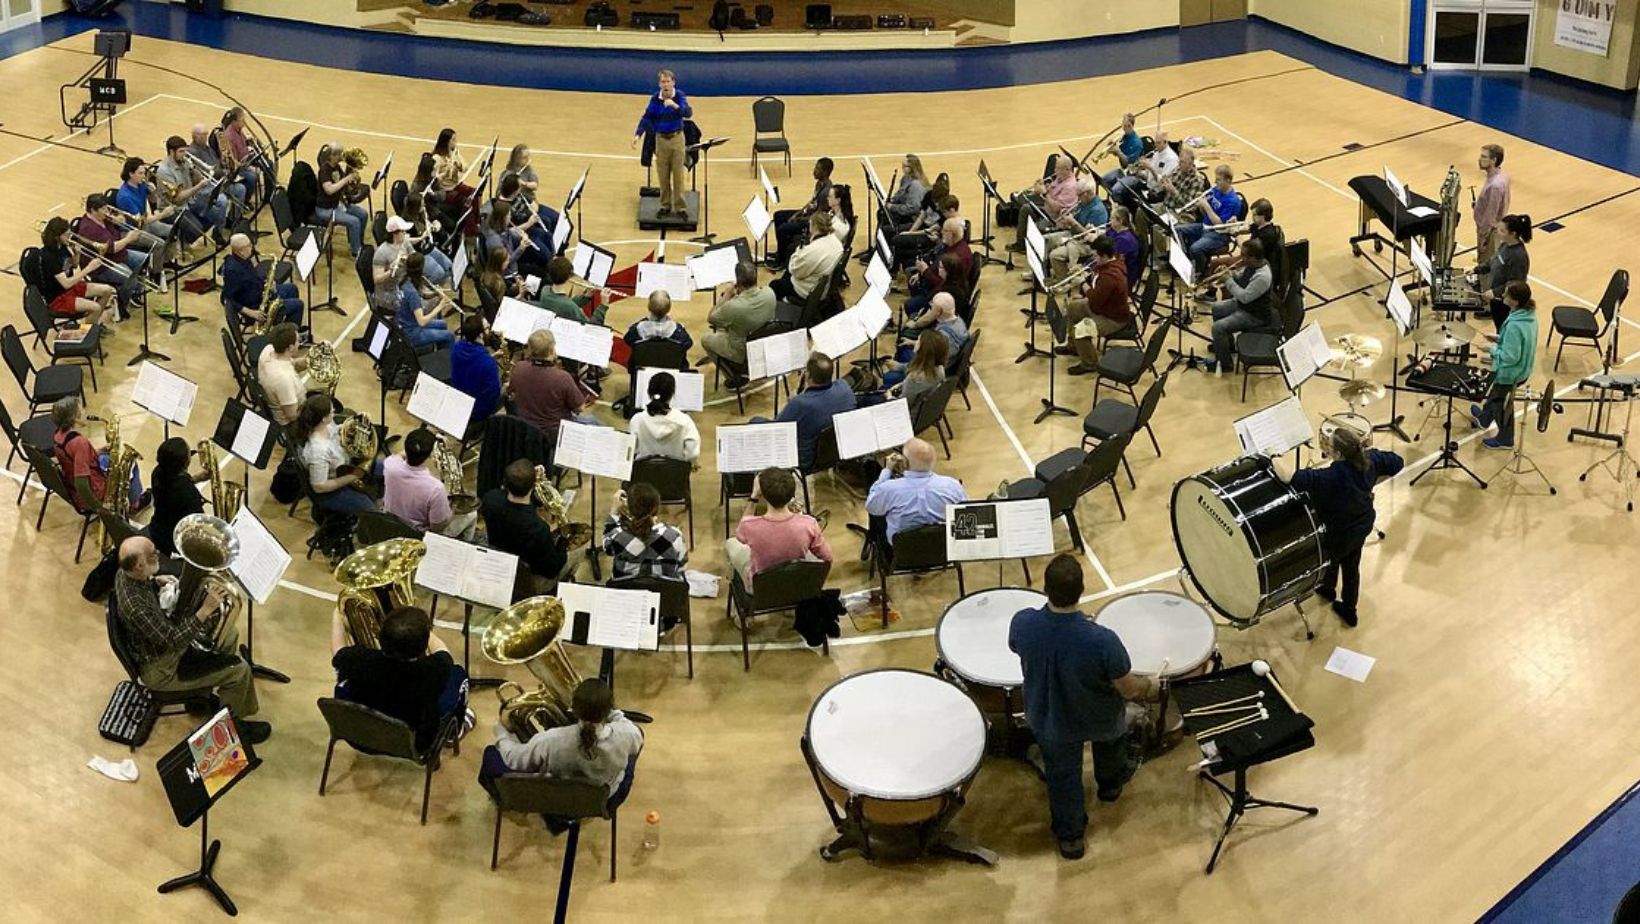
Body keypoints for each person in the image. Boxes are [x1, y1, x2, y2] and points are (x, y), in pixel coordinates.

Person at [1008, 554, 1156, 860]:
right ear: (1082, 590)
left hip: (1050, 718)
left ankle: (1071, 837)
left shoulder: (1023, 623)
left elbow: (1015, 646)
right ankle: (1110, 786)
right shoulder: (1102, 640)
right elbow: (1128, 689)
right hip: (1098, 716)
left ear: (1045, 589)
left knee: (1062, 778)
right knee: (1112, 741)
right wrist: (1150, 685)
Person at [114, 535, 270, 743]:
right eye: (153, 554)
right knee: (239, 671)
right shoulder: (138, 609)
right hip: (163, 669)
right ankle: (233, 730)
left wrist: (154, 581)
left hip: (157, 649)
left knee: (229, 635)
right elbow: (173, 640)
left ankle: (202, 696)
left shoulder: (125, 573)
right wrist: (205, 610)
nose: (158, 554)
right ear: (140, 565)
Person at [1271, 428, 1404, 627]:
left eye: (1330, 445)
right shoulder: (1371, 459)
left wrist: (1271, 455)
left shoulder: (1330, 476)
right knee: (1351, 567)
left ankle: (1328, 588)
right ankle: (1349, 610)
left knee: (1331, 559)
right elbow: (1398, 462)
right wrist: (1372, 484)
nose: (1327, 446)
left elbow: (1288, 477)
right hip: (1361, 524)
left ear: (1339, 454)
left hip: (1337, 532)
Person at [480, 678, 643, 827]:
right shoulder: (627, 734)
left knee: (492, 753)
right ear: (609, 709)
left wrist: (503, 732)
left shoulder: (550, 739)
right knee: (635, 744)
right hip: (603, 801)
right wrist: (613, 712)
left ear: (574, 709)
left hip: (553, 801)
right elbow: (635, 739)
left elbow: (513, 759)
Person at [332, 605, 467, 752]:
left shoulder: (359, 660)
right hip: (415, 745)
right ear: (424, 643)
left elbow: (337, 649)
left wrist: (338, 614)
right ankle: (457, 728)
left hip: (357, 736)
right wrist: (422, 628)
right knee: (458, 674)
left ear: (381, 636)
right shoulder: (434, 669)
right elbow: (442, 650)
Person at [480, 459, 572, 595]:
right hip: (527, 581)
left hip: (500, 563)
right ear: (533, 486)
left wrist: (526, 477)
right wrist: (563, 539)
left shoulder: (490, 499)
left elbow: (503, 494)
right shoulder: (538, 529)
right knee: (577, 554)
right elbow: (552, 568)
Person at [726, 467, 832, 585]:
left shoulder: (749, 526)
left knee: (731, 543)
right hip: (797, 585)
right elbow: (827, 557)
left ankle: (732, 581)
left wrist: (754, 496)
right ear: (792, 494)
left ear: (763, 495)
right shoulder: (809, 523)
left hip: (761, 589)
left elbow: (740, 535)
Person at [1471, 280, 1540, 451]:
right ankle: (1485, 418)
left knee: (1500, 405)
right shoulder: (1526, 315)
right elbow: (1516, 343)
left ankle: (1505, 438)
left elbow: (1511, 356)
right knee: (1494, 394)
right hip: (1521, 367)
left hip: (1511, 373)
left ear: (1515, 300)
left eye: (1506, 294)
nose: (1502, 295)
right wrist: (1498, 338)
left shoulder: (1516, 325)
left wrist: (1491, 349)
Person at [383, 427, 478, 539]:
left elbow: (400, 455)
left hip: (390, 522)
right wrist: (453, 507)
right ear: (430, 455)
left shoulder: (390, 464)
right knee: (471, 514)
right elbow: (437, 528)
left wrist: (418, 446)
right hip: (416, 535)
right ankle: (464, 543)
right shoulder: (435, 488)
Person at [51, 397, 142, 514]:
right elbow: (81, 483)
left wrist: (99, 451)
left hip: (72, 484)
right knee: (131, 466)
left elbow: (72, 458)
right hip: (94, 492)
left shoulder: (58, 435)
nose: (84, 411)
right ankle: (135, 504)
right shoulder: (79, 443)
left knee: (105, 456)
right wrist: (99, 507)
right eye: (81, 410)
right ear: (75, 419)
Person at [864, 437, 967, 541]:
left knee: (881, 507)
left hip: (905, 550)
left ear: (905, 463)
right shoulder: (953, 485)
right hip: (944, 548)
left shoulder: (889, 488)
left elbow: (872, 507)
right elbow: (967, 515)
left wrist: (887, 470)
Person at [508, 330, 597, 444]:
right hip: (552, 434)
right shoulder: (562, 377)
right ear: (551, 351)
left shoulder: (519, 368)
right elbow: (580, 408)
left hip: (525, 429)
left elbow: (512, 392)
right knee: (593, 421)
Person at [76, 193, 155, 320]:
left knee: (144, 259)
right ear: (92, 210)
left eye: (106, 208)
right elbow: (111, 248)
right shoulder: (89, 228)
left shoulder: (103, 219)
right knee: (130, 277)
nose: (107, 212)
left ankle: (135, 293)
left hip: (118, 254)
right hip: (102, 265)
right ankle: (122, 303)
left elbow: (116, 237)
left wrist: (118, 222)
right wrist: (129, 238)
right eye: (103, 209)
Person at [1201, 238, 1275, 375]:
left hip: (1255, 315)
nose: (1241, 258)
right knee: (1216, 308)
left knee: (1218, 328)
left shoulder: (1263, 276)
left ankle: (1224, 364)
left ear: (1253, 258)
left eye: (1244, 256)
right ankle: (1226, 346)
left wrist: (1227, 280)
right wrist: (1229, 273)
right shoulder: (1252, 265)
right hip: (1246, 306)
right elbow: (1241, 278)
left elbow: (1244, 297)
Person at [1064, 237, 1135, 375]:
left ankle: (1089, 363)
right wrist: (1084, 272)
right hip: (1103, 307)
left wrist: (1082, 281)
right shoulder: (1111, 262)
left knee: (1080, 330)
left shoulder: (1111, 277)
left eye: (1095, 255)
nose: (1093, 258)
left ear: (1103, 255)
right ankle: (1073, 347)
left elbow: (1095, 298)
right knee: (1072, 307)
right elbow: (1097, 278)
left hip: (1112, 318)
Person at [774, 352, 857, 470]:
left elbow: (776, 429)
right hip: (839, 450)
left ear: (809, 377)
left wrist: (793, 402)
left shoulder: (800, 404)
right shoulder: (844, 387)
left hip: (808, 461)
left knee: (756, 421)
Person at [296, 394, 376, 515]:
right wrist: (353, 476)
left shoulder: (326, 424)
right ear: (323, 418)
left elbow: (338, 429)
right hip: (330, 490)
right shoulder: (318, 451)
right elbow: (319, 487)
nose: (334, 413)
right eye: (332, 412)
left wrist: (360, 421)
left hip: (346, 465)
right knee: (370, 509)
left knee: (384, 467)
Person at [631, 69, 692, 217]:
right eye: (663, 82)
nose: (666, 85)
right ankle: (665, 205)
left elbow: (688, 113)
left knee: (678, 175)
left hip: (677, 138)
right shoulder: (654, 99)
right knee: (663, 175)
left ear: (673, 82)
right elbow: (647, 118)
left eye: (668, 81)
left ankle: (680, 207)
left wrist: (674, 105)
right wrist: (638, 135)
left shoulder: (679, 96)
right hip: (661, 140)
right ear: (659, 84)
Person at [35, 217, 113, 329]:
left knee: (107, 290)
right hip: (58, 297)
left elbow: (73, 265)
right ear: (57, 237)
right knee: (95, 307)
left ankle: (92, 325)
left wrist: (77, 254)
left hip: (70, 288)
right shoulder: (49, 257)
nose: (69, 237)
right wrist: (88, 269)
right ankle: (87, 333)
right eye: (66, 235)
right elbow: (66, 283)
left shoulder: (62, 246)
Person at [703, 260, 777, 378]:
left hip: (742, 351)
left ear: (738, 281)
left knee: (706, 339)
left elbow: (711, 318)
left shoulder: (733, 306)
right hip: (763, 344)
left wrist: (727, 295)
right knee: (726, 327)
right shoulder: (770, 293)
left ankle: (733, 376)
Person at [602, 482, 688, 581]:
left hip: (628, 592)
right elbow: (681, 567)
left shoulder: (619, 537)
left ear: (629, 508)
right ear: (657, 508)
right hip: (664, 593)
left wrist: (614, 511)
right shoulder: (674, 536)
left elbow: (607, 545)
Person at [154, 134, 228, 248]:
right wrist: (198, 186)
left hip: (190, 201)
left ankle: (188, 234)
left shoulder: (184, 162)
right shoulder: (164, 171)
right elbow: (177, 198)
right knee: (197, 230)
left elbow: (196, 180)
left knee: (215, 215)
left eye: (185, 151)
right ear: (171, 152)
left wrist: (194, 170)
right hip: (174, 209)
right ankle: (183, 239)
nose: (184, 155)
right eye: (181, 152)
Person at [222, 233, 305, 330]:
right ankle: (288, 336)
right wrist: (250, 312)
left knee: (292, 288)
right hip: (257, 308)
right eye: (249, 246)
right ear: (240, 251)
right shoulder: (233, 271)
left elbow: (253, 278)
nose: (252, 247)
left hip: (261, 294)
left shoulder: (244, 259)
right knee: (298, 305)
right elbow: (227, 298)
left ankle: (284, 325)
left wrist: (267, 283)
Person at [1173, 164, 1243, 276]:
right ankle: (1188, 261)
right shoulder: (1216, 190)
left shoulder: (1233, 201)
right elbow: (1204, 213)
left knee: (1195, 248)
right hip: (1205, 226)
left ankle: (1201, 272)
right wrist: (1201, 203)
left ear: (1228, 180)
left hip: (1219, 234)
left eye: (1219, 180)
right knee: (1177, 230)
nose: (1215, 182)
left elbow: (1220, 224)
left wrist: (1206, 205)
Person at [147, 437, 207, 557]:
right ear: (186, 463)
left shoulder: (157, 472)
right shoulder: (188, 493)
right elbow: (200, 523)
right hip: (172, 542)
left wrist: (196, 478)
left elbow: (173, 483)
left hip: (157, 527)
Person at [771, 157, 835, 268]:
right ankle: (781, 251)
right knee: (778, 215)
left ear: (825, 172)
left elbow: (817, 217)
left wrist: (799, 219)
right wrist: (798, 213)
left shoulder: (826, 192)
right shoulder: (819, 183)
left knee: (783, 229)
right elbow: (811, 203)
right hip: (809, 215)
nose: (814, 171)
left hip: (813, 222)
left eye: (817, 169)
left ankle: (781, 261)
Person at [1044, 179, 1109, 287]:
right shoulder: (1084, 203)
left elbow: (1092, 238)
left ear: (1087, 193)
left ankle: (1064, 282)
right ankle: (1043, 273)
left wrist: (1073, 223)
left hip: (1086, 245)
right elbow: (1075, 222)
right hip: (1073, 235)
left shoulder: (1098, 211)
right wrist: (1067, 217)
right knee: (1046, 240)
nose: (1077, 198)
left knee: (1055, 255)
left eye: (1079, 195)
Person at [771, 212, 843, 305]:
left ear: (815, 227)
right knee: (785, 276)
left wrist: (799, 250)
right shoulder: (837, 242)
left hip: (806, 292)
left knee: (774, 285)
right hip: (821, 286)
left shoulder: (813, 251)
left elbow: (795, 271)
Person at [1014, 154, 1079, 253]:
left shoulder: (1070, 187)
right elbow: (1052, 191)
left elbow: (1056, 209)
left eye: (1058, 169)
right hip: (1047, 210)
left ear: (1067, 169)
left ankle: (1033, 250)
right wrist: (1043, 186)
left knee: (1035, 227)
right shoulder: (1061, 177)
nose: (1055, 171)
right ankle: (1020, 244)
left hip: (1055, 219)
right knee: (1025, 208)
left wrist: (1044, 193)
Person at [631, 371, 700, 463]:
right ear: (672, 394)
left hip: (644, 474)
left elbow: (631, 449)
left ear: (648, 392)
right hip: (675, 475)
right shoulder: (684, 420)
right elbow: (693, 454)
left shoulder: (637, 420)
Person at [314, 142, 367, 258]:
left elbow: (343, 186)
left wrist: (352, 182)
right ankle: (356, 252)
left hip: (339, 204)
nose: (342, 156)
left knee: (363, 214)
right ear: (332, 156)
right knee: (354, 222)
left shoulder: (337, 167)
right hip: (325, 209)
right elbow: (329, 190)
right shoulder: (324, 170)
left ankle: (358, 242)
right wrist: (346, 179)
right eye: (340, 154)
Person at [1481, 213, 1531, 331]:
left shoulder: (1519, 257)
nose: (1498, 232)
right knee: (1498, 326)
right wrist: (1478, 268)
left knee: (1503, 329)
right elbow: (1493, 261)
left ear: (1513, 234)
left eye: (1502, 230)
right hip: (1497, 299)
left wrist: (1495, 292)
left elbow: (1516, 284)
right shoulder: (1505, 245)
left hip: (1506, 302)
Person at [396, 253, 456, 349]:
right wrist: (440, 306)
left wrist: (435, 293)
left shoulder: (406, 280)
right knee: (449, 336)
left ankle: (440, 353)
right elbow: (422, 322)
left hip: (406, 322)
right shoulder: (412, 293)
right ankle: (447, 360)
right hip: (411, 333)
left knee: (443, 324)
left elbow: (422, 295)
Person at [450, 314, 502, 424]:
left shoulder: (456, 347)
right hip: (477, 411)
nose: (490, 331)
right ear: (479, 335)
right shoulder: (488, 363)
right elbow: (492, 396)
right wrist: (506, 389)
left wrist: (490, 357)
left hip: (459, 399)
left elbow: (471, 365)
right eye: (487, 328)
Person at [258, 323, 309, 426]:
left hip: (287, 399)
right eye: (298, 341)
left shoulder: (269, 350)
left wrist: (312, 358)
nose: (299, 344)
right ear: (290, 348)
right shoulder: (284, 379)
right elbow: (292, 415)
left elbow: (292, 364)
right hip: (291, 424)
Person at [1110, 130, 1179, 207]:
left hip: (1156, 192)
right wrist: (1140, 172)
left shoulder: (1171, 159)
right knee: (1123, 187)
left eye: (1158, 143)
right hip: (1147, 185)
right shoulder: (1157, 153)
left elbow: (1163, 183)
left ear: (1165, 142)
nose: (1155, 145)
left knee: (1122, 190)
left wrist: (1150, 168)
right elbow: (1149, 176)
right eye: (1155, 142)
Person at [188, 123, 246, 211]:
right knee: (223, 200)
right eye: (204, 135)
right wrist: (222, 171)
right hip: (209, 186)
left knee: (241, 189)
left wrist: (223, 161)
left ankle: (235, 219)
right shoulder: (193, 152)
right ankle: (221, 222)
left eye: (206, 134)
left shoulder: (208, 148)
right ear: (196, 136)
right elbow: (205, 174)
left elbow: (216, 163)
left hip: (220, 180)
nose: (206, 137)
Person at [890, 329, 949, 414]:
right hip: (923, 412)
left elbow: (903, 405)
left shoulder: (915, 378)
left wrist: (889, 397)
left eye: (918, 341)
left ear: (923, 349)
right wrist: (901, 384)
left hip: (908, 415)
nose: (915, 343)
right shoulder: (940, 369)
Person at [537, 255, 607, 325]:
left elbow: (562, 303)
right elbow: (591, 326)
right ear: (568, 277)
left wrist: (585, 297)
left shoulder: (545, 290)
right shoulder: (570, 307)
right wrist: (603, 305)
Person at [1474, 143, 1511, 269]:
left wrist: (1483, 238)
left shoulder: (1495, 185)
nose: (1480, 159)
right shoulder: (1501, 176)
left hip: (1489, 233)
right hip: (1493, 229)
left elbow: (1491, 214)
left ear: (1494, 160)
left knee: (1486, 268)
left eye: (1484, 157)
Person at [623, 290, 693, 350]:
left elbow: (627, 340)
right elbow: (688, 344)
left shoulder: (638, 328)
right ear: (669, 309)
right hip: (670, 364)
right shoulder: (677, 329)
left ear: (649, 307)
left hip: (643, 363)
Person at [1098, 113, 1147, 192]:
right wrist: (1111, 149)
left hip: (1134, 174)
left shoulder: (1137, 143)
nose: (1123, 128)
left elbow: (1127, 163)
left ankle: (1123, 200)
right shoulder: (1124, 137)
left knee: (1115, 190)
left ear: (1130, 126)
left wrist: (1118, 152)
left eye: (1124, 126)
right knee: (1104, 180)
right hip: (1124, 171)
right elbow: (1120, 155)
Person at [883, 154, 930, 229]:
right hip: (905, 211)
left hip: (914, 218)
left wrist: (892, 207)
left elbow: (913, 208)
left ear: (912, 168)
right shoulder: (906, 178)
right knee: (883, 212)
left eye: (905, 166)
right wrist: (892, 200)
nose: (902, 168)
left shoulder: (916, 185)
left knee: (887, 222)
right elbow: (900, 193)